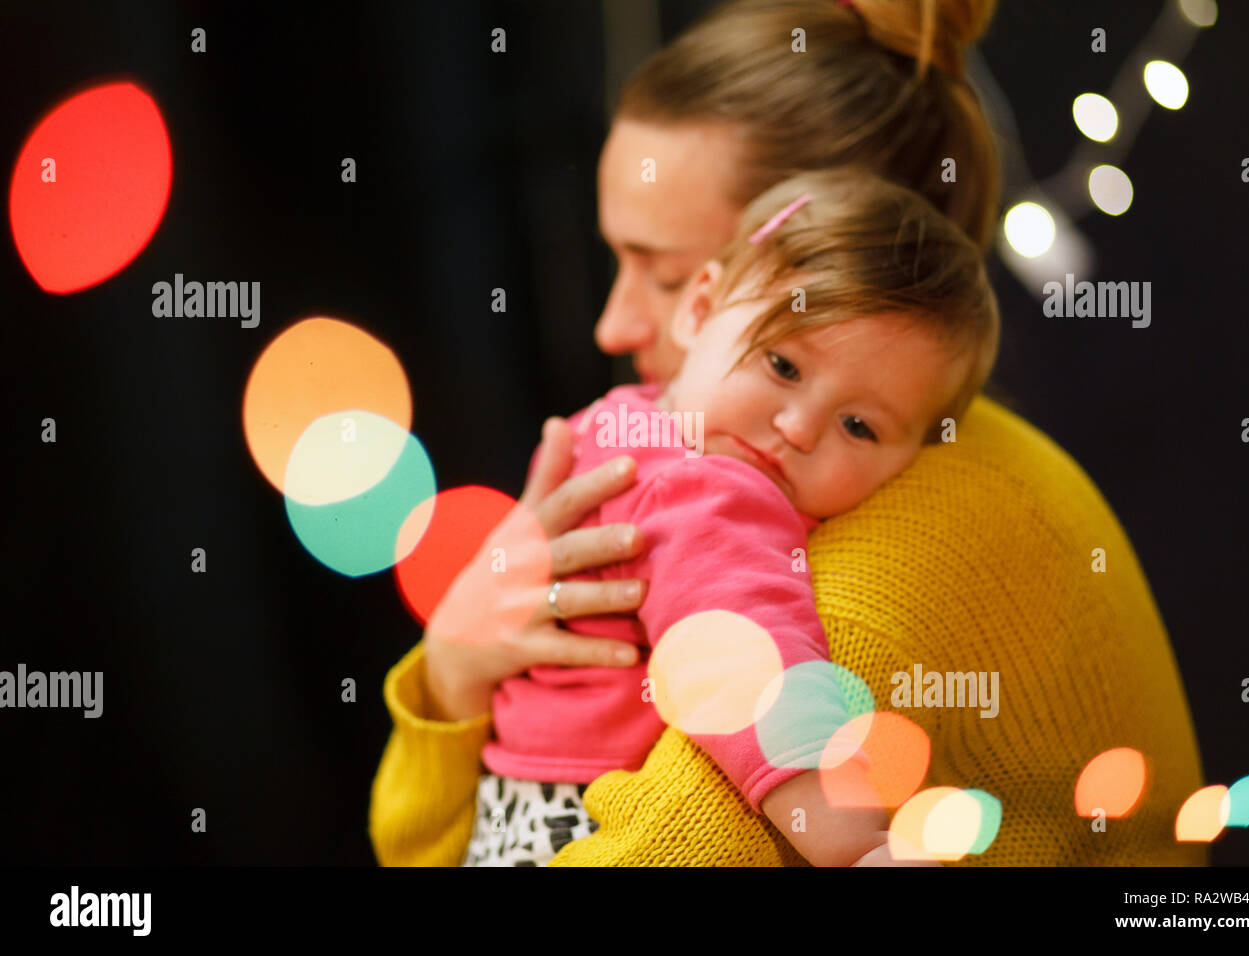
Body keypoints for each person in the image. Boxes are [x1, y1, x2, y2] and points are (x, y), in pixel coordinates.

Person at [371, 0, 1205, 866]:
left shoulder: (877, 571)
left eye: (658, 271)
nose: (612, 328)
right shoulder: (748, 461)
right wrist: (454, 671)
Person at [450, 167, 998, 865]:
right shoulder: (706, 489)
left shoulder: (618, 425)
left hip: (510, 810)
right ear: (701, 309)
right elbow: (746, 663)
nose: (798, 427)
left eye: (858, 426)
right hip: (578, 818)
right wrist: (857, 847)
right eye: (783, 365)